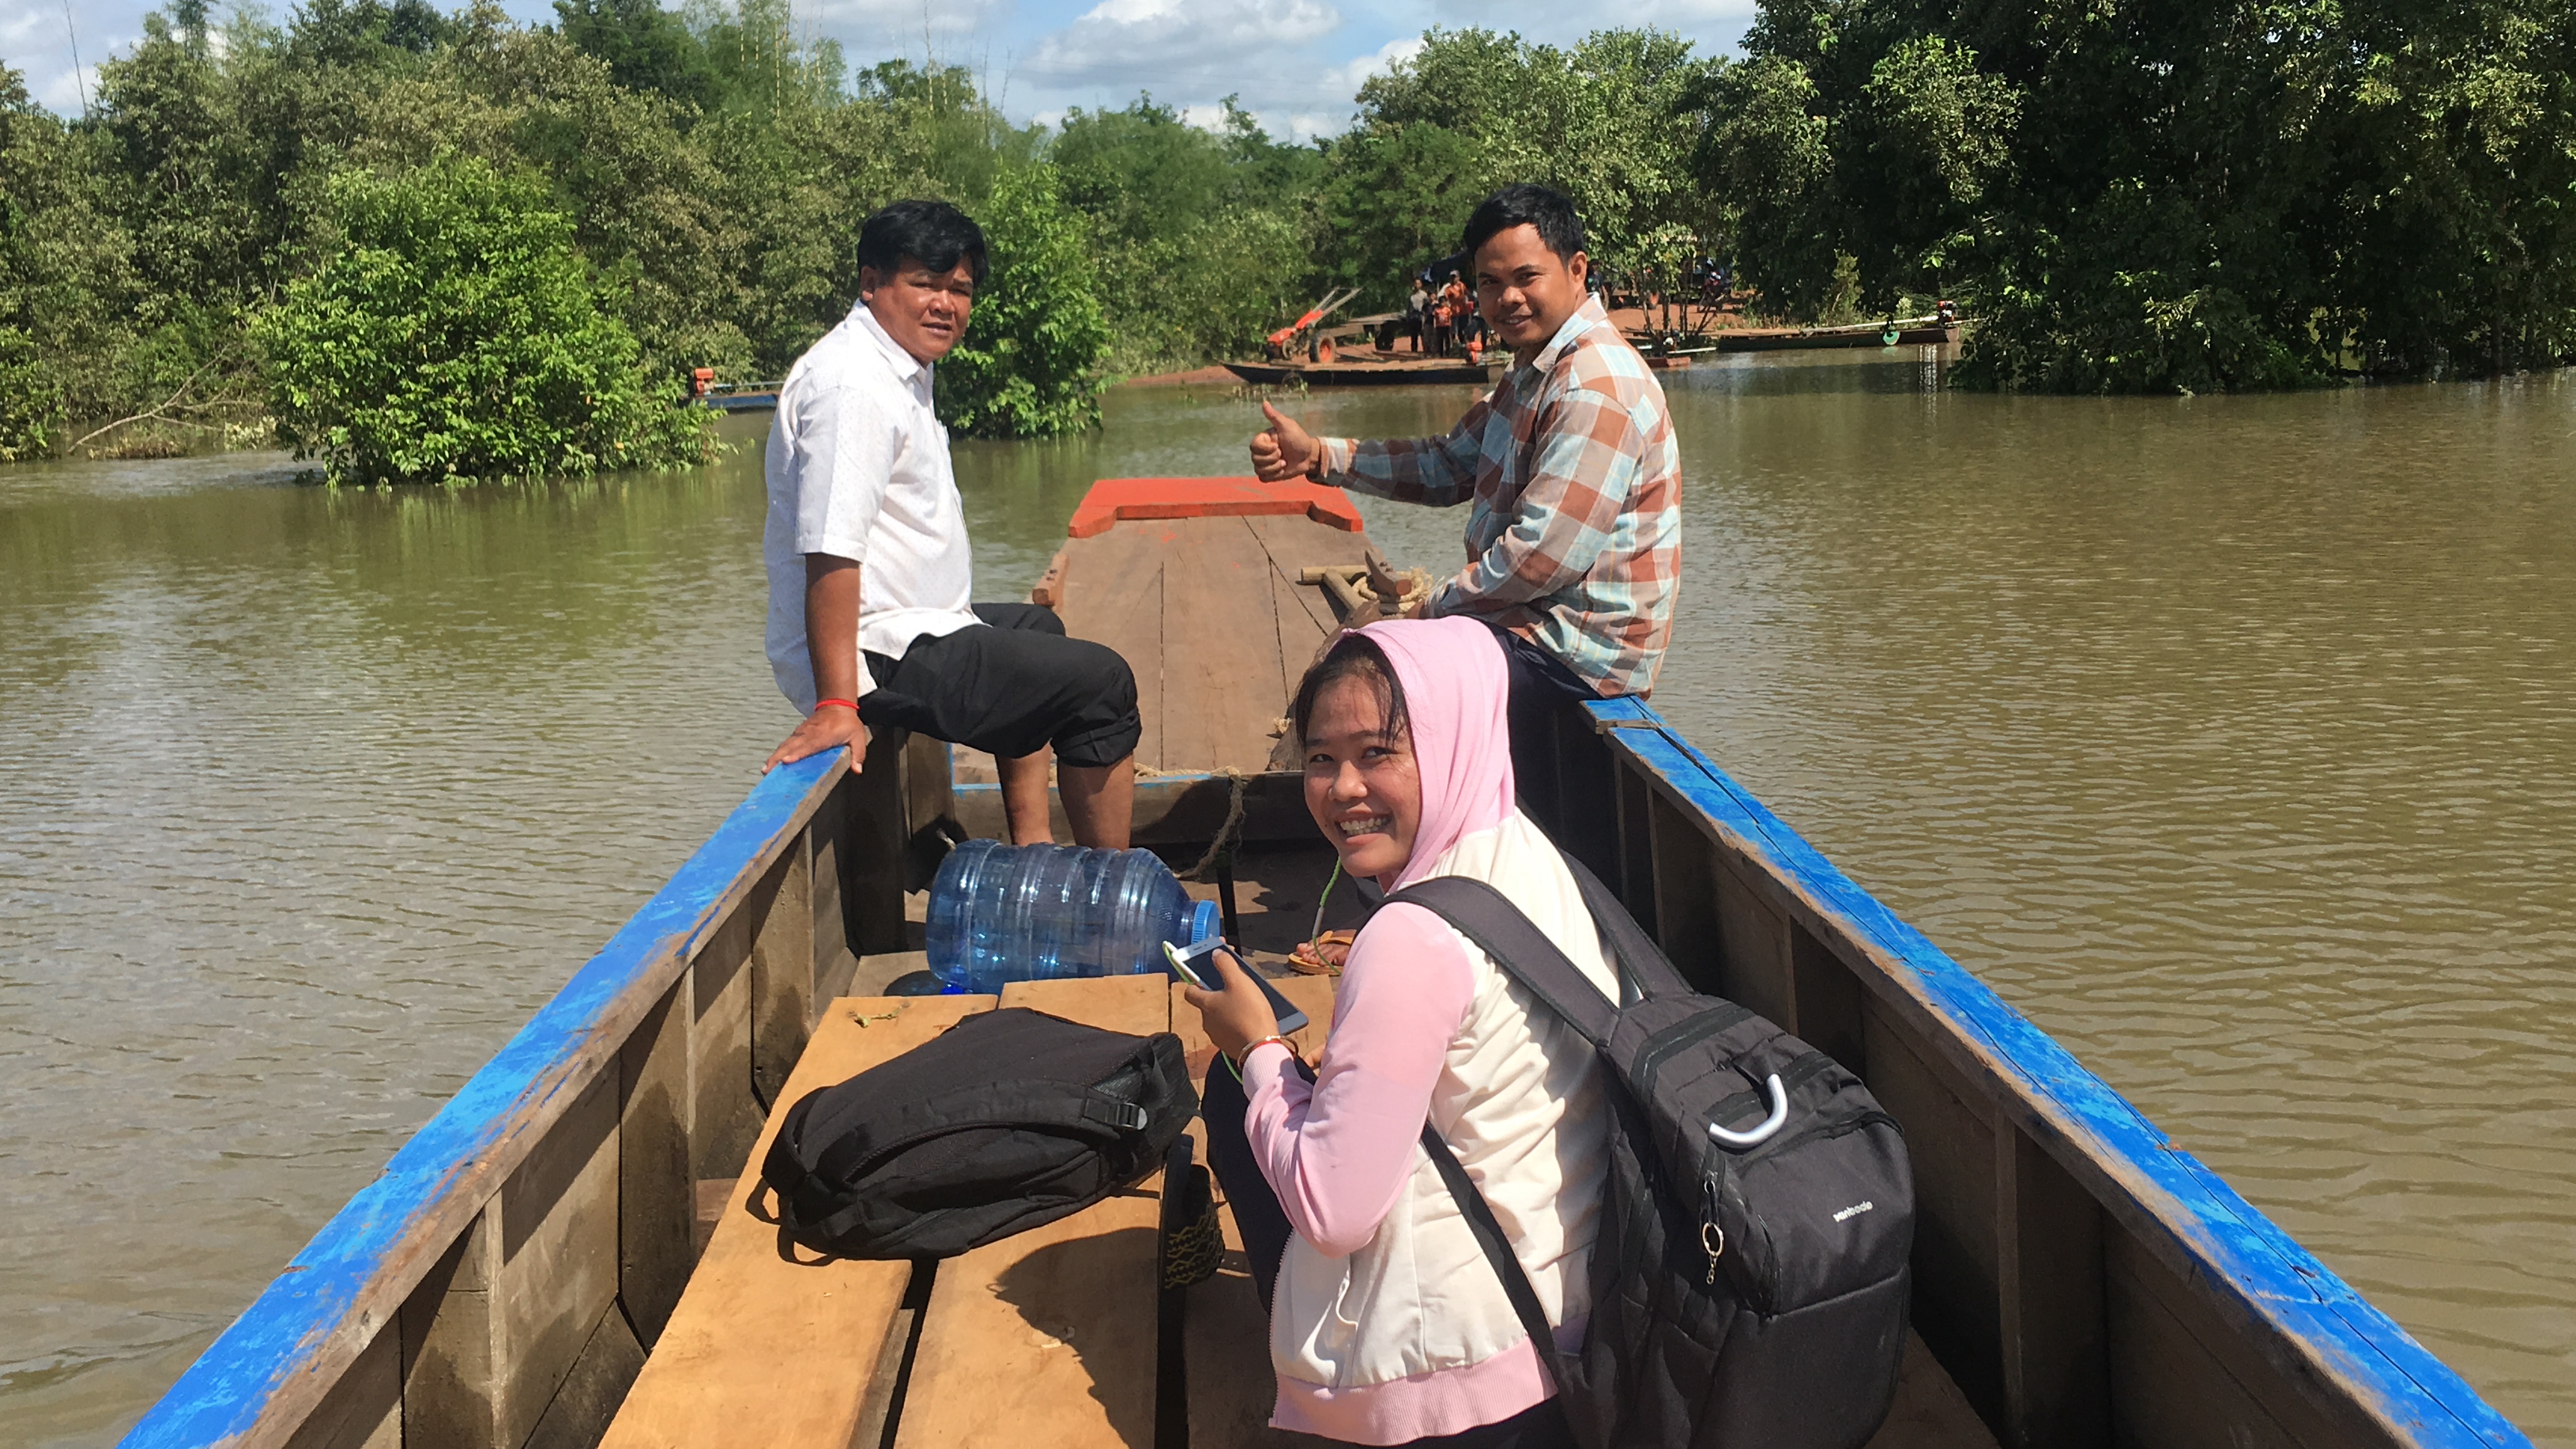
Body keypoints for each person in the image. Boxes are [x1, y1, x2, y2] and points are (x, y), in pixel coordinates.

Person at [1185, 618, 1613, 1449]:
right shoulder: (1526, 853)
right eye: (1320, 758)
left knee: (1236, 1092)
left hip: (1461, 1376)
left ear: (1449, 742)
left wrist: (1258, 1051)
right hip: (1572, 1309)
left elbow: (1334, 1214)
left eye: (1378, 753)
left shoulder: (1409, 938)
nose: (1343, 789)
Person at [1248, 184, 1680, 825]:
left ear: (1576, 270)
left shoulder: (1594, 385)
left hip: (1576, 655)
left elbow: (1540, 558)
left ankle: (1411, 850)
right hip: (1528, 632)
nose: (1507, 298)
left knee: (1377, 675)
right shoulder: (1533, 371)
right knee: (1366, 662)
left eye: (1526, 277)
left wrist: (1432, 608)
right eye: (1490, 283)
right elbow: (1446, 464)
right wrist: (1318, 456)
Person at [760, 199, 1140, 848]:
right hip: (871, 652)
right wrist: (836, 705)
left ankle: (1032, 845)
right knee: (1102, 683)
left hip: (903, 625)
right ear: (871, 282)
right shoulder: (853, 386)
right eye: (925, 283)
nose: (945, 304)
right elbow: (830, 548)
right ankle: (1114, 885)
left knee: (1037, 629)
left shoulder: (898, 367)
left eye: (959, 289)